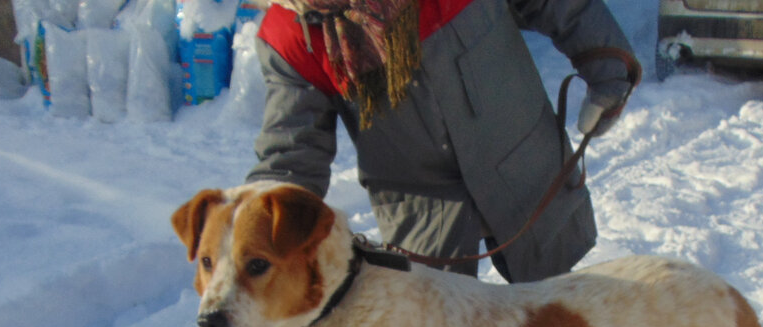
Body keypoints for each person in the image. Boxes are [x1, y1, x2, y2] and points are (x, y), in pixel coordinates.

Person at [245, 0, 636, 282]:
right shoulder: (291, 36)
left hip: (523, 166)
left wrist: (608, 65)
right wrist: (251, 226)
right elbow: (292, 150)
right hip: (423, 211)